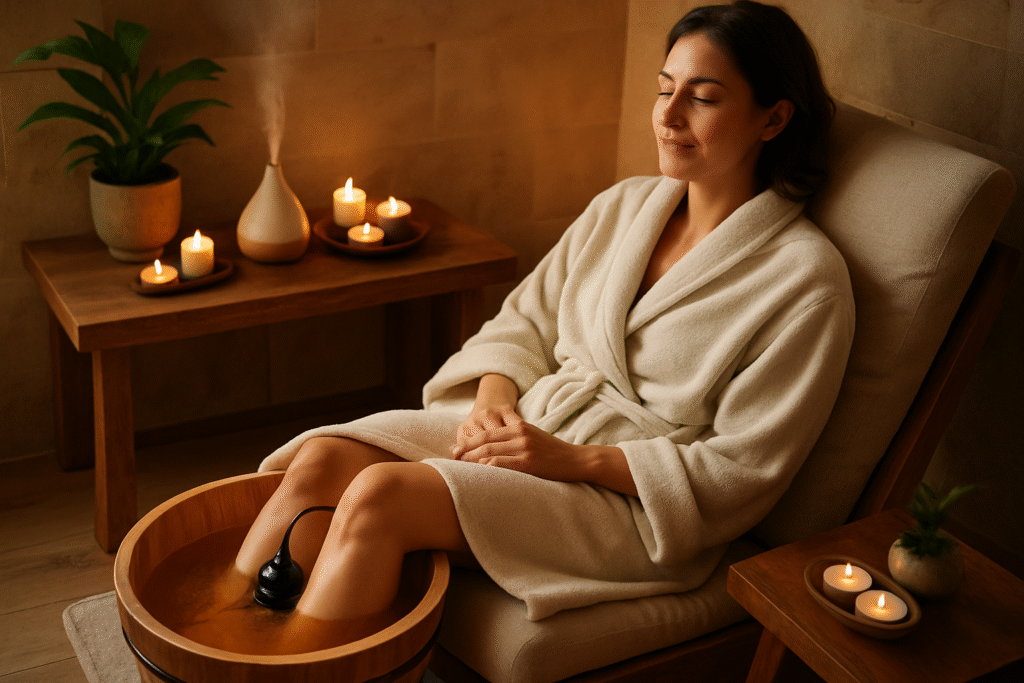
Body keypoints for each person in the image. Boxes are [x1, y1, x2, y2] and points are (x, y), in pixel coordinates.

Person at [234, 0, 855, 635]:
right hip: (533, 428)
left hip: (628, 505)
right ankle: (224, 644)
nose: (668, 117)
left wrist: (568, 460)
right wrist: (493, 402)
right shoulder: (625, 207)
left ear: (774, 118)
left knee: (380, 497)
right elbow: (523, 322)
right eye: (665, 89)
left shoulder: (804, 282)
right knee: (323, 459)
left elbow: (741, 472)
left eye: (703, 98)